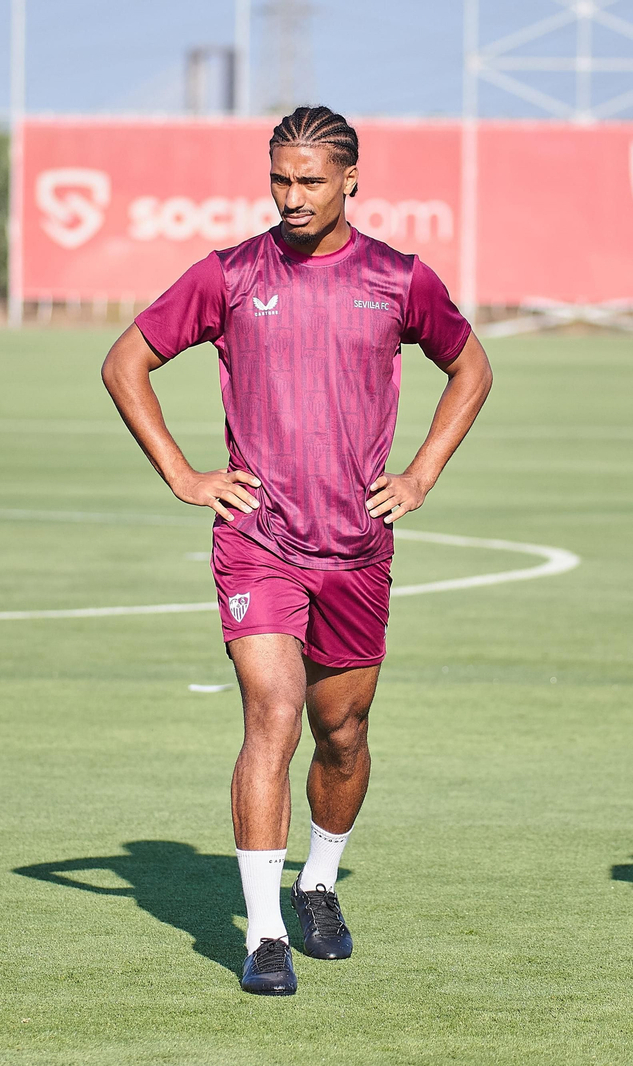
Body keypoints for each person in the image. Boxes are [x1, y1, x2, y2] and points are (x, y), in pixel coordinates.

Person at [102, 106, 492, 995]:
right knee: (270, 716)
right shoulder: (230, 274)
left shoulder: (398, 279)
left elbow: (472, 367)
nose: (291, 197)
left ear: (351, 180)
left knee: (343, 735)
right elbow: (125, 361)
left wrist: (423, 472)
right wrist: (183, 473)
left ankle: (319, 881)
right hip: (258, 540)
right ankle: (266, 933)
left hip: (355, 549)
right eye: (279, 179)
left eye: (310, 181)